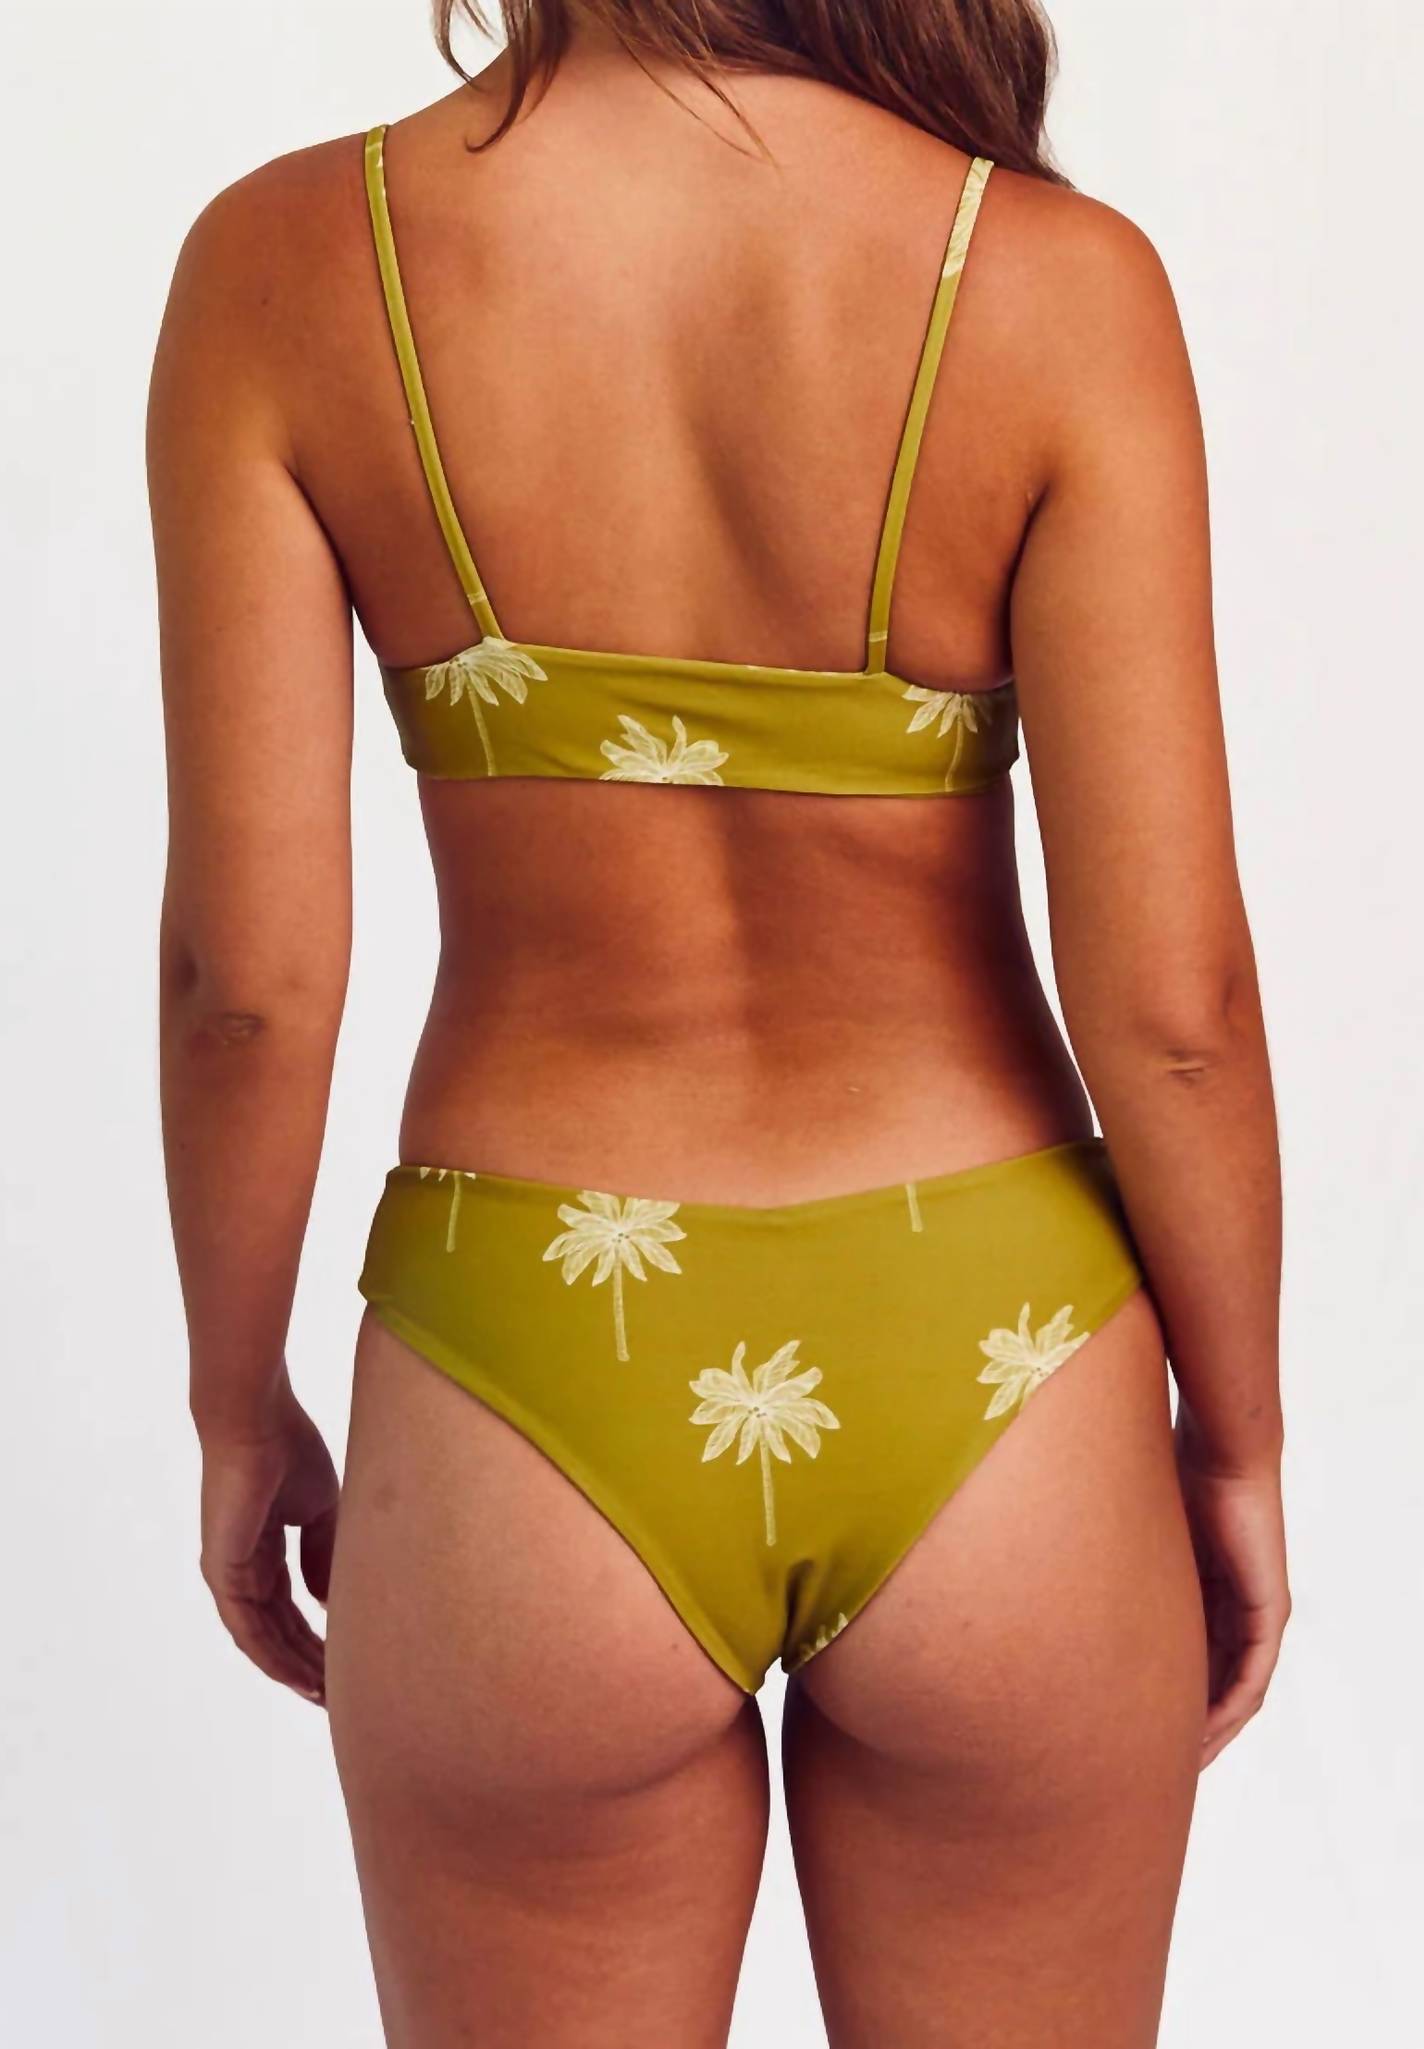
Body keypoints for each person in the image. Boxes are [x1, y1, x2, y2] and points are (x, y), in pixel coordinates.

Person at [149, 3, 1289, 2041]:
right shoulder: (1048, 280)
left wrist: (237, 1405)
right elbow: (1177, 1004)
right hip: (998, 1362)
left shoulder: (292, 264)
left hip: (524, 1368)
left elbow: (245, 985)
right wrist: (1240, 1432)